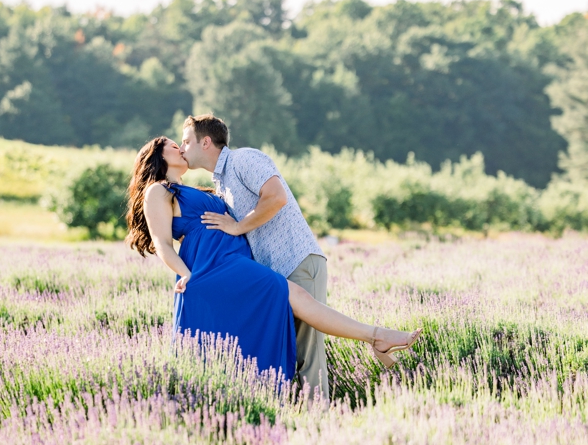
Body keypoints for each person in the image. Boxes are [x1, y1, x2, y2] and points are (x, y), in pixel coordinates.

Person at [125, 135, 420, 382]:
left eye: (184, 142)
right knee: (297, 297)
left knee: (283, 309)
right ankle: (376, 337)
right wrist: (186, 274)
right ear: (157, 156)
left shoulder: (199, 188)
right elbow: (162, 243)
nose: (181, 148)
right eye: (175, 146)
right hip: (214, 268)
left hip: (234, 261)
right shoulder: (158, 191)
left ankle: (376, 338)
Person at [179, 114, 331, 401]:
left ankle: (319, 420)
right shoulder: (220, 182)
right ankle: (294, 416)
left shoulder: (244, 159)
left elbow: (276, 197)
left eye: (187, 141)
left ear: (206, 142)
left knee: (306, 351)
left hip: (297, 261)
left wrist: (237, 226)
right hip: (274, 277)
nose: (182, 148)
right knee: (285, 348)